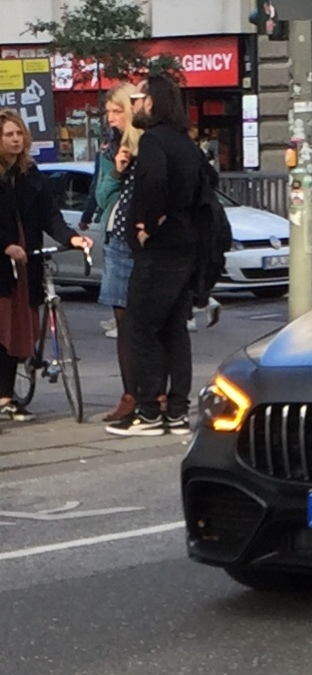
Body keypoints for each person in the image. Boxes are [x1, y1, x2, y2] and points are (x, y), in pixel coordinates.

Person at [105, 74, 204, 437]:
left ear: (152, 101)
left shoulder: (154, 142)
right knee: (175, 329)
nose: (134, 105)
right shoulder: (185, 142)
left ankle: (148, 412)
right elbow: (203, 186)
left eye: (137, 98)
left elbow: (155, 182)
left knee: (140, 327)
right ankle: (176, 411)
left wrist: (148, 223)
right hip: (185, 246)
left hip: (159, 250)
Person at [0, 110, 93, 422]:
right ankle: (4, 396)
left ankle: (7, 395)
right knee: (2, 329)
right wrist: (5, 245)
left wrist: (73, 238)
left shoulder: (30, 173)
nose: (15, 139)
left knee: (18, 330)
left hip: (28, 261)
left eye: (18, 134)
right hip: (3, 263)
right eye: (8, 134)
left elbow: (50, 214)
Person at [93, 82, 146, 421]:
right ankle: (129, 395)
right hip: (116, 241)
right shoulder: (109, 148)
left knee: (149, 324)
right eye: (108, 112)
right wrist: (116, 170)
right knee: (123, 325)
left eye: (118, 112)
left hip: (144, 241)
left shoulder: (149, 145)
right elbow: (100, 198)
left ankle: (155, 395)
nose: (111, 118)